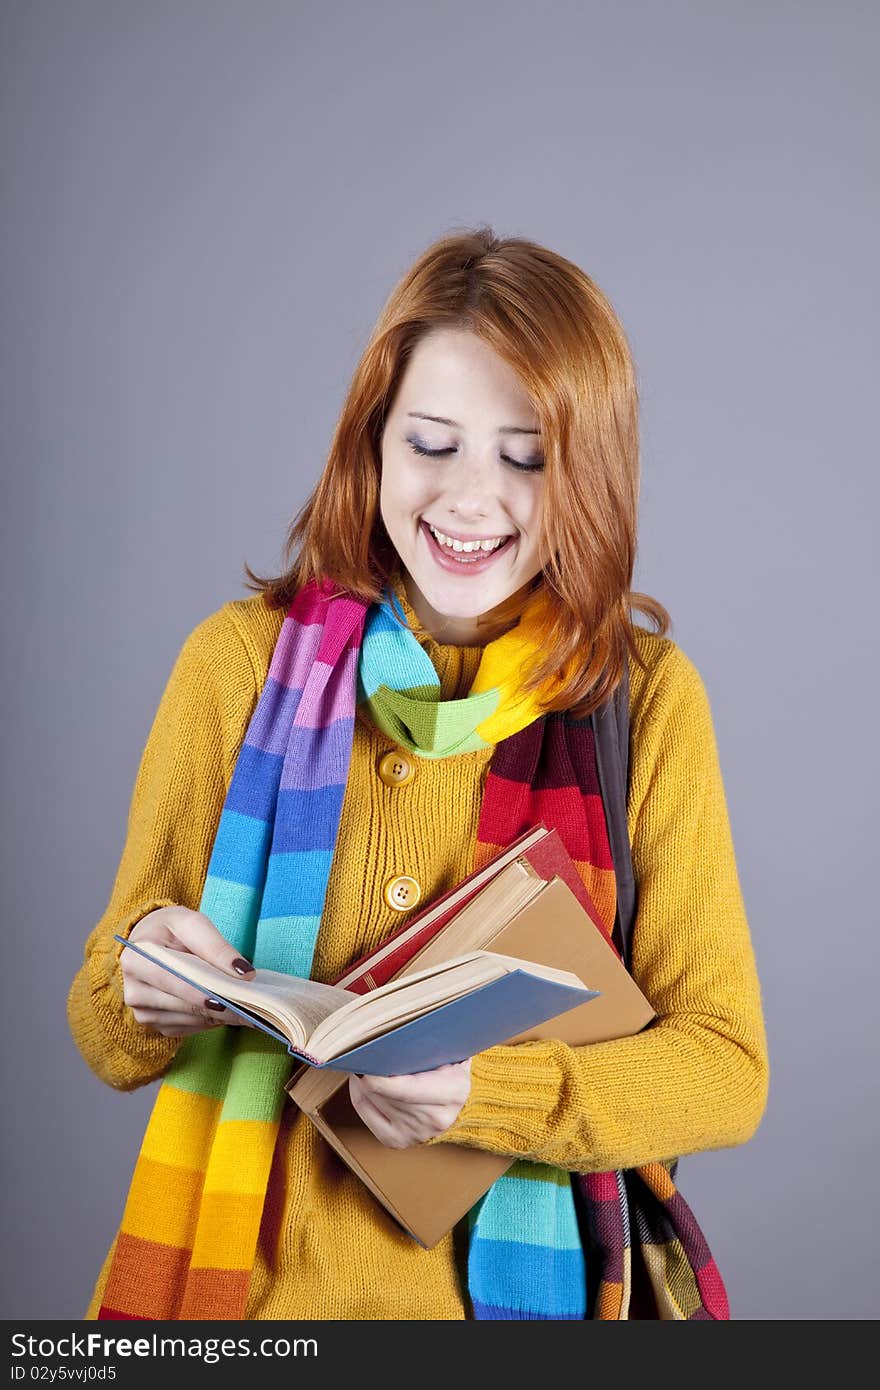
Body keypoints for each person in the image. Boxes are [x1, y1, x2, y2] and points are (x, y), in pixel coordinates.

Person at [67, 226, 769, 1321]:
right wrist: (145, 977)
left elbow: (725, 1069)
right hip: (247, 1314)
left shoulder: (648, 698)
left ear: (585, 467)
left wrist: (484, 1095)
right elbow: (103, 1021)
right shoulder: (238, 662)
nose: (468, 498)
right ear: (373, 443)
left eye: (526, 455)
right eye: (430, 442)